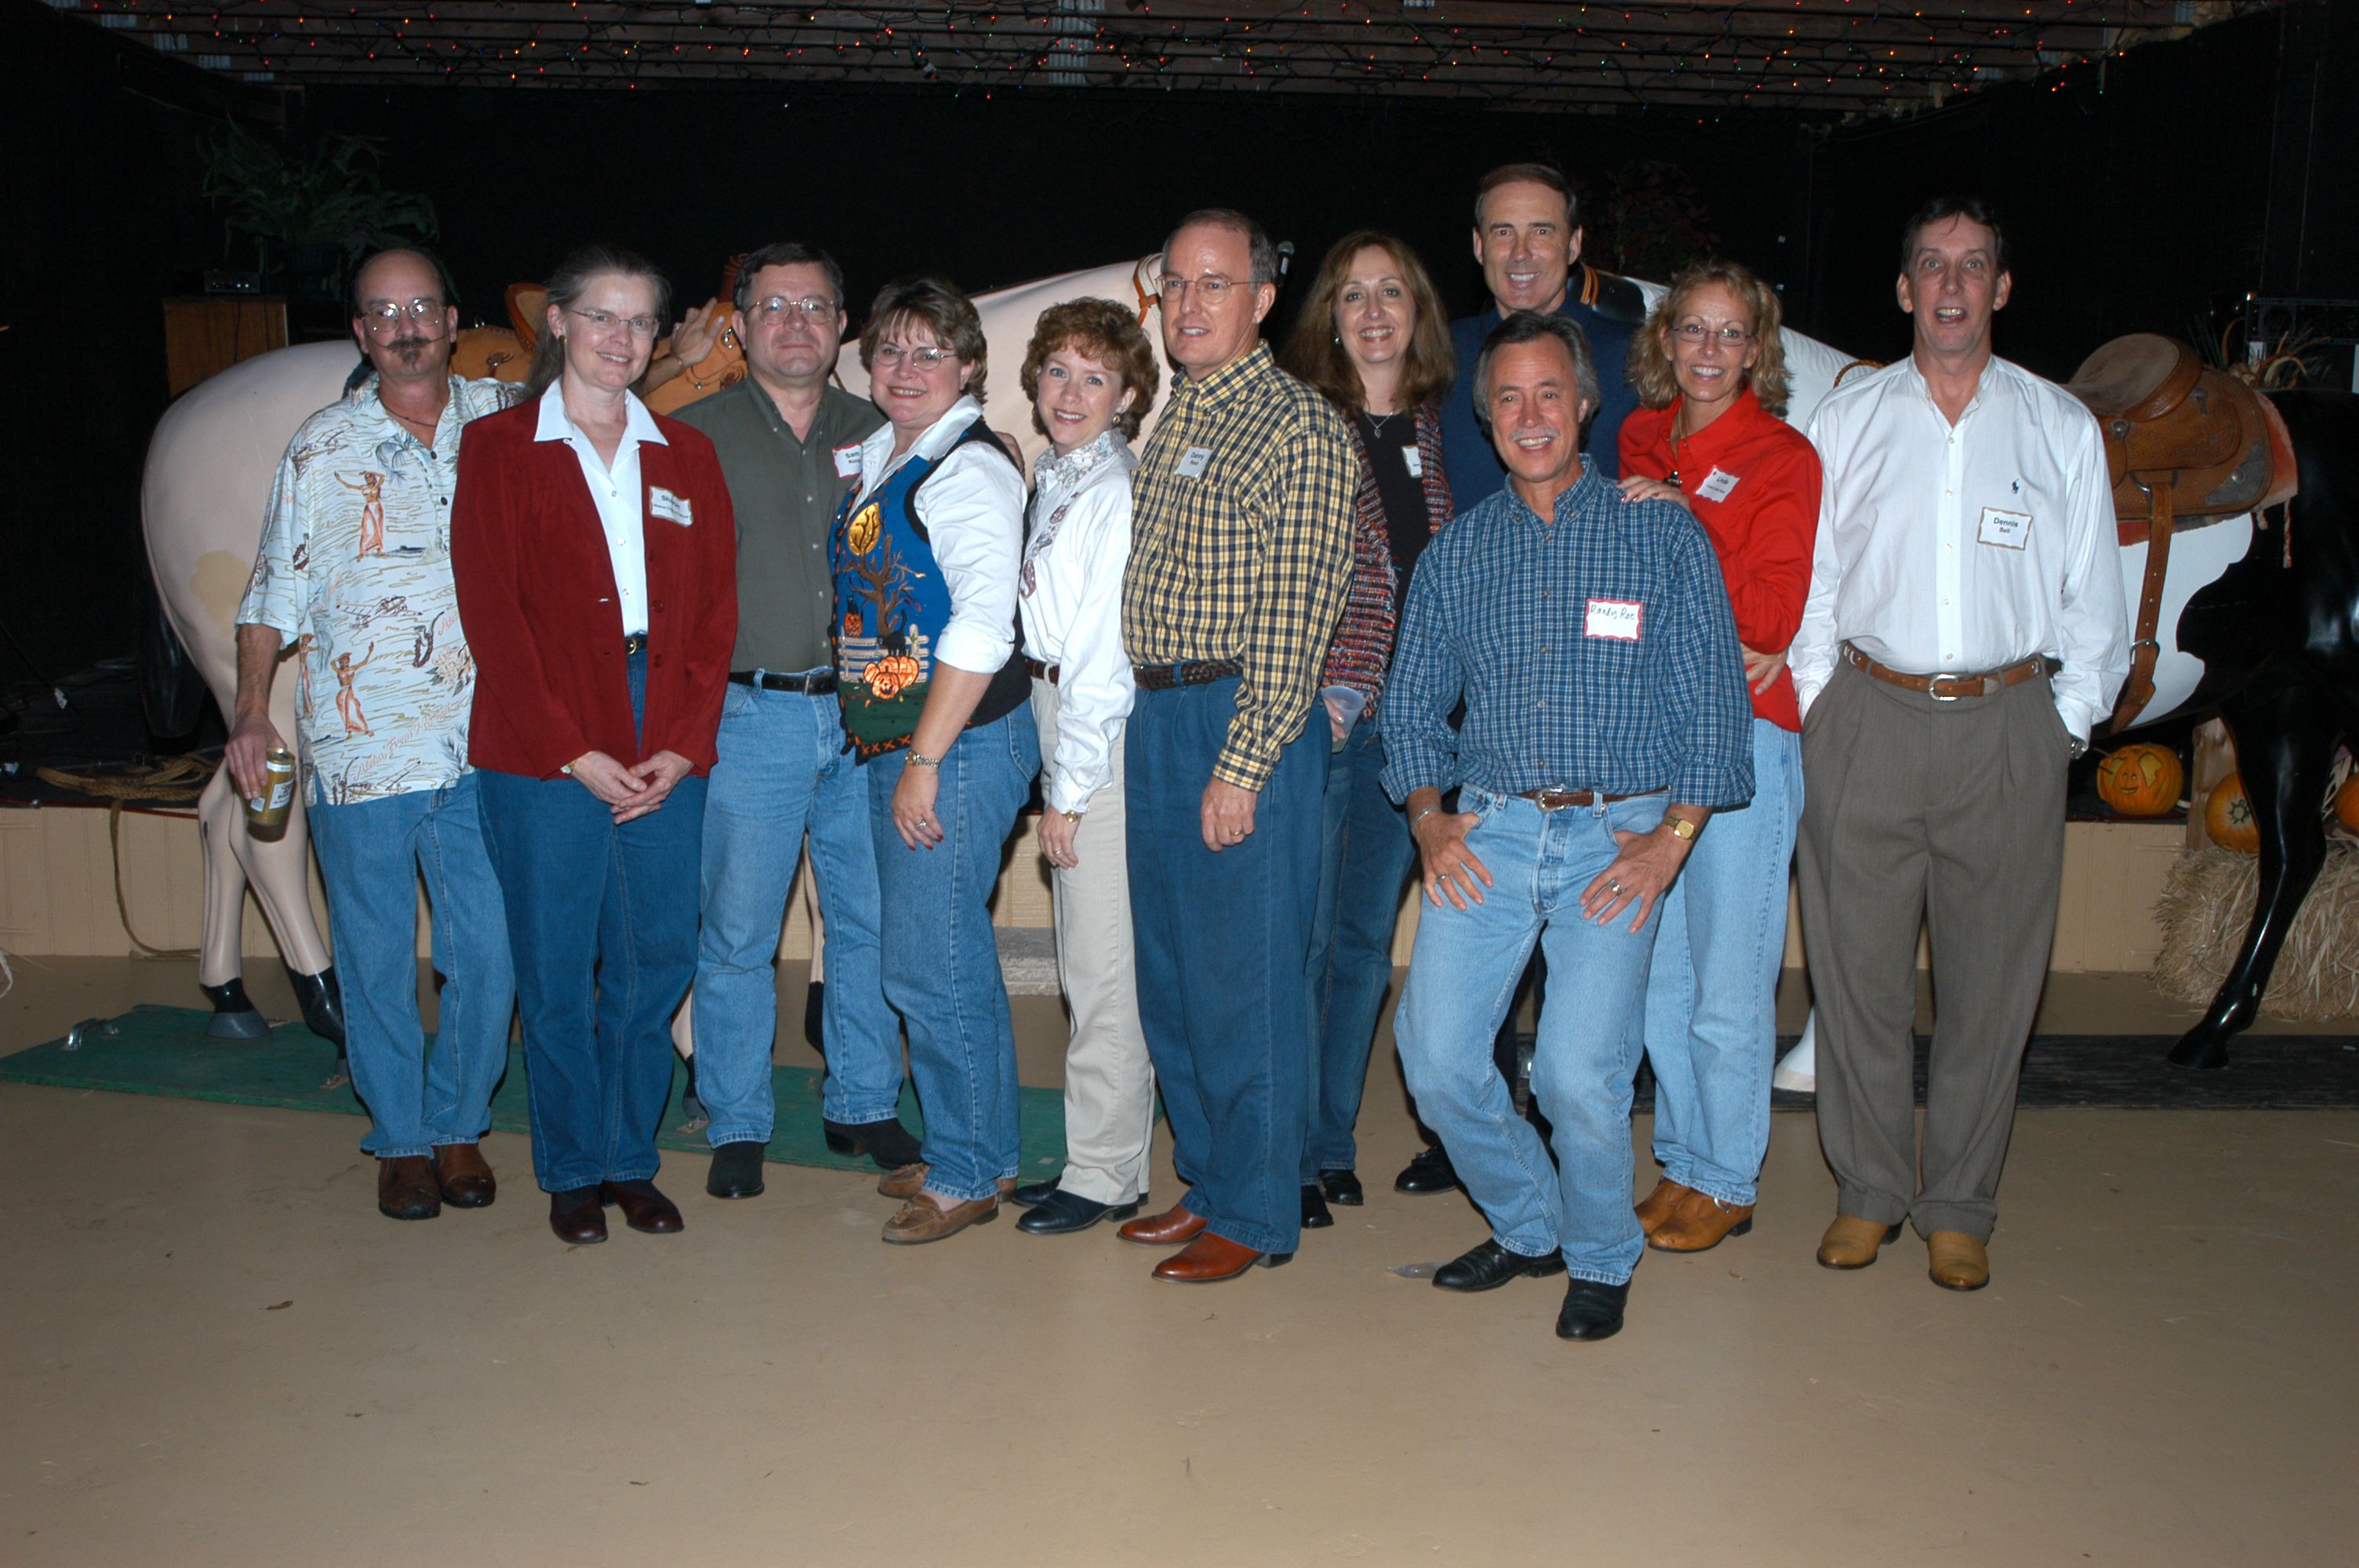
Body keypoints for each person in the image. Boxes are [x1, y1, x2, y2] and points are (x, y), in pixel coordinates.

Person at [1383, 310, 1754, 1342]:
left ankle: (1598, 1253)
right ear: (1485, 417)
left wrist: (1669, 842)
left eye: (1551, 393)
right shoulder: (1457, 556)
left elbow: (1715, 710)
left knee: (1576, 1076)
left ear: (1587, 405)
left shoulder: (1659, 532)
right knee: (1440, 1059)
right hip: (1491, 835)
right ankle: (1530, 1221)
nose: (1531, 415)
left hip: (1618, 836)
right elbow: (1410, 709)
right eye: (1509, 398)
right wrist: (1429, 821)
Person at [1790, 197, 2126, 1292]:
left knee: (1993, 989)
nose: (1950, 286)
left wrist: (2062, 724)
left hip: (2008, 728)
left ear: (2001, 288)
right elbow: (1816, 586)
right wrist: (1821, 708)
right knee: (1859, 981)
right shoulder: (1846, 423)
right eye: (1930, 266)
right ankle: (1871, 1190)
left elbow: (2096, 603)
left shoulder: (2058, 427)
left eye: (1972, 266)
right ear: (1902, 290)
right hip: (1868, 718)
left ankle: (1960, 1205)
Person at [451, 243, 739, 1247]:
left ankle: (629, 1159)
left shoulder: (686, 457)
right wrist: (572, 748)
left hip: (662, 716)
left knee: (657, 960)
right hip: (541, 735)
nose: (622, 340)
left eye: (640, 322)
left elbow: (712, 620)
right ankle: (572, 1168)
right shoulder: (497, 450)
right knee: (558, 964)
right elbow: (494, 620)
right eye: (602, 318)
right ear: (559, 325)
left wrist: (684, 747)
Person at [227, 245, 516, 1224]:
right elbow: (270, 593)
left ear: (451, 316)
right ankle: (399, 1138)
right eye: (382, 311)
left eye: (421, 306)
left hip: (488, 748)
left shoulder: (506, 425)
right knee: (377, 957)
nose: (404, 325)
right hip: (362, 759)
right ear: (360, 332)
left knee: (489, 952)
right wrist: (251, 711)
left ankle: (457, 1125)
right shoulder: (320, 448)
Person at [1114, 209, 1356, 1283]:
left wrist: (1246, 761)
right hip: (1160, 715)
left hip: (1239, 719)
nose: (1190, 304)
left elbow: (1299, 617)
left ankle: (1258, 1214)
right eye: (1175, 284)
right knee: (1172, 975)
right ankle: (1209, 1180)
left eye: (1216, 285)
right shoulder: (1181, 413)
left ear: (1263, 299)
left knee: (1247, 981)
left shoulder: (1299, 428)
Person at [671, 242, 915, 1201]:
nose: (796, 323)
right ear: (739, 323)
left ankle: (862, 1101)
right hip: (750, 715)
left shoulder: (892, 429)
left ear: (842, 323)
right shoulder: (691, 438)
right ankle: (736, 1118)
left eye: (815, 306)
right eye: (774, 307)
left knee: (865, 922)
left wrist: (897, 706)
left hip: (867, 718)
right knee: (736, 933)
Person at [1615, 260, 1823, 1254]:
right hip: (1654, 729)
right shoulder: (1636, 436)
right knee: (1658, 977)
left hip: (1745, 733)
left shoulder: (1782, 454)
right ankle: (1687, 1161)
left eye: (1727, 333)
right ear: (1663, 340)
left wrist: (1674, 516)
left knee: (1729, 978)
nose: (1706, 350)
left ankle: (1730, 1176)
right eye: (1689, 330)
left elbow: (1771, 614)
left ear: (1755, 348)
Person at [831, 277, 1038, 1246]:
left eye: (927, 352)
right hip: (910, 738)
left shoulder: (969, 467)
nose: (904, 369)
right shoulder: (890, 453)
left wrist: (922, 754)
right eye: (889, 351)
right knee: (947, 953)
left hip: (953, 742)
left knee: (926, 964)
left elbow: (984, 623)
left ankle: (961, 1172)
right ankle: (982, 1145)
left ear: (965, 366)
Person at [1278, 231, 1456, 1227]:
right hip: (1322, 718)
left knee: (1356, 946)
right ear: (1328, 317)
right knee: (1301, 942)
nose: (1374, 311)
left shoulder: (1442, 429)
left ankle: (1329, 1140)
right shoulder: (1303, 423)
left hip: (1413, 728)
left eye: (1392, 291)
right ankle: (1290, 1149)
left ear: (1417, 309)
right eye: (1352, 296)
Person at [1003, 298, 1161, 1236]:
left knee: (1100, 962)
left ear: (1128, 393)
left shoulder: (1110, 492)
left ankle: (1105, 1171)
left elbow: (1101, 659)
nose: (1071, 391)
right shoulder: (1061, 475)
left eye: (1094, 376)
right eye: (1058, 370)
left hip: (1089, 723)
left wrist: (1068, 791)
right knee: (1078, 955)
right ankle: (1100, 1152)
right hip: (1051, 703)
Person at [1438, 161, 1642, 508]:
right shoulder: (1441, 354)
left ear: (1574, 245)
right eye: (1503, 232)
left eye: (1542, 231)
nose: (1521, 253)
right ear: (1478, 245)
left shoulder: (1634, 357)